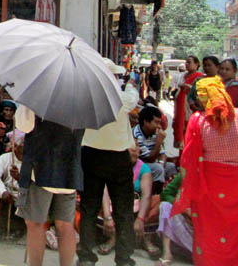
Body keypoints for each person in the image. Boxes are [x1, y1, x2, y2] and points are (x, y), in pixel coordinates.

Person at [77, 59, 140, 266]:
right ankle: (124, 258)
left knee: (89, 207)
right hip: (117, 157)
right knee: (123, 210)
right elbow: (132, 98)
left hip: (91, 154)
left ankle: (86, 256)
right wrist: (130, 85)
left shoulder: (86, 97)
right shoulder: (120, 97)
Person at [171, 76, 238, 265]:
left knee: (208, 230)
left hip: (208, 186)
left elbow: (189, 159)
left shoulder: (198, 121)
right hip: (236, 185)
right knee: (234, 230)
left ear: (202, 99)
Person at [15, 103, 84, 266]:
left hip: (41, 168)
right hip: (70, 169)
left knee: (35, 223)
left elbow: (23, 125)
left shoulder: (39, 97)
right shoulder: (81, 99)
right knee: (65, 225)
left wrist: (24, 105)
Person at [0, 132, 24, 244]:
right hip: (8, 192)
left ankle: (26, 232)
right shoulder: (5, 158)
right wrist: (3, 192)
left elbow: (34, 185)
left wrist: (19, 178)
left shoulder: (33, 162)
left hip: (24, 194)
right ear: (15, 146)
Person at [132, 105, 176, 187]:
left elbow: (163, 154)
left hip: (153, 163)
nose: (159, 126)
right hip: (139, 165)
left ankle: (167, 190)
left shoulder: (154, 132)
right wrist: (159, 141)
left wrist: (161, 163)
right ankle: (155, 193)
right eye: (156, 122)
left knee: (171, 167)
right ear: (146, 122)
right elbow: (150, 158)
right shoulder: (136, 134)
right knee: (158, 169)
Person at [156, 174, 192, 266]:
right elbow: (165, 194)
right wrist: (184, 208)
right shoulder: (186, 173)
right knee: (165, 206)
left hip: (208, 233)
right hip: (188, 225)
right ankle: (167, 253)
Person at [172, 55, 202, 147]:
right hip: (180, 109)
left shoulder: (199, 77)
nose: (187, 64)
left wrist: (190, 88)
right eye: (186, 62)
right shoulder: (182, 76)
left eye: (189, 62)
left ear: (197, 64)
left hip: (190, 110)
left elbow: (200, 94)